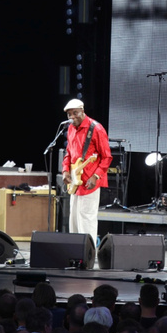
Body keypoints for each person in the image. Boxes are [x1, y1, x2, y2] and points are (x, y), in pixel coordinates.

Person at [61, 99, 112, 246]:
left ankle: (88, 254)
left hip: (90, 181)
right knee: (74, 220)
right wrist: (65, 171)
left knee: (86, 219)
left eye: (75, 113)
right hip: (75, 181)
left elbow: (107, 157)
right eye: (69, 115)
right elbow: (68, 153)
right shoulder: (70, 129)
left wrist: (96, 176)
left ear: (82, 111)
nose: (72, 117)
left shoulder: (96, 128)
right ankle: (76, 251)